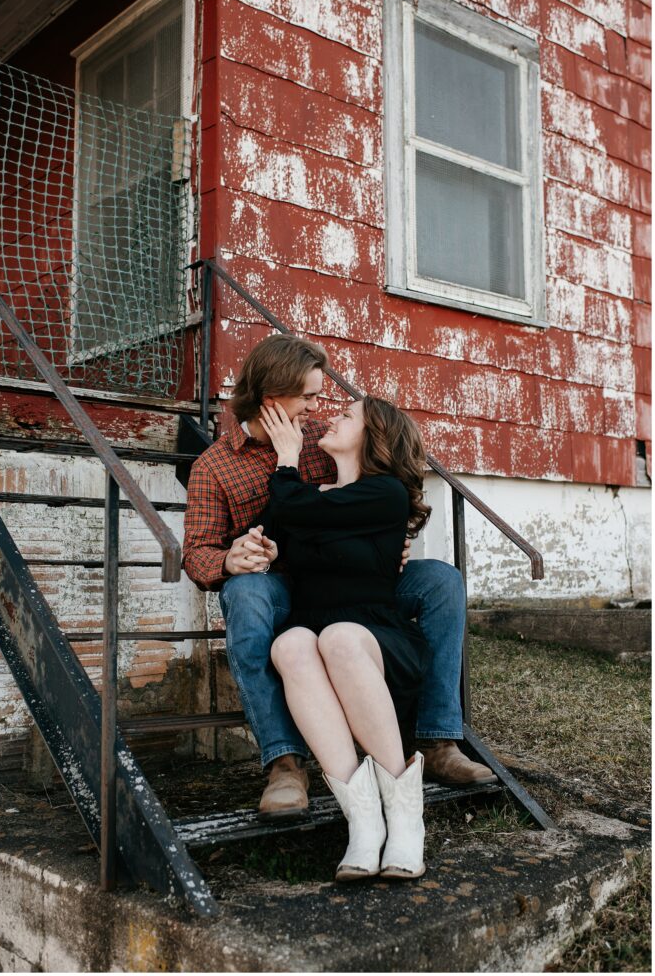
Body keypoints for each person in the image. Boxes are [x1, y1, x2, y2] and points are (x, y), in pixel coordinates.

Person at [182, 334, 494, 819]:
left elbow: (373, 485)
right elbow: (197, 552)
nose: (317, 407)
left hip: (355, 578)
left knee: (440, 579)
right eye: (307, 397)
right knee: (244, 593)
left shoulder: (324, 440)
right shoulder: (214, 466)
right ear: (272, 400)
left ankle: (437, 741)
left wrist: (388, 540)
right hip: (283, 583)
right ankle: (285, 762)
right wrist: (228, 559)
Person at [260, 395, 431, 879]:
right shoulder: (308, 494)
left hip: (373, 636)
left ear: (374, 434)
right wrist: (260, 544)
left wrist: (287, 462)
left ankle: (405, 818)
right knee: (289, 644)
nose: (333, 417)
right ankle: (364, 820)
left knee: (338, 637)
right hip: (313, 626)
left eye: (347, 415)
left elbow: (296, 510)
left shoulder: (385, 494)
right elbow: (276, 528)